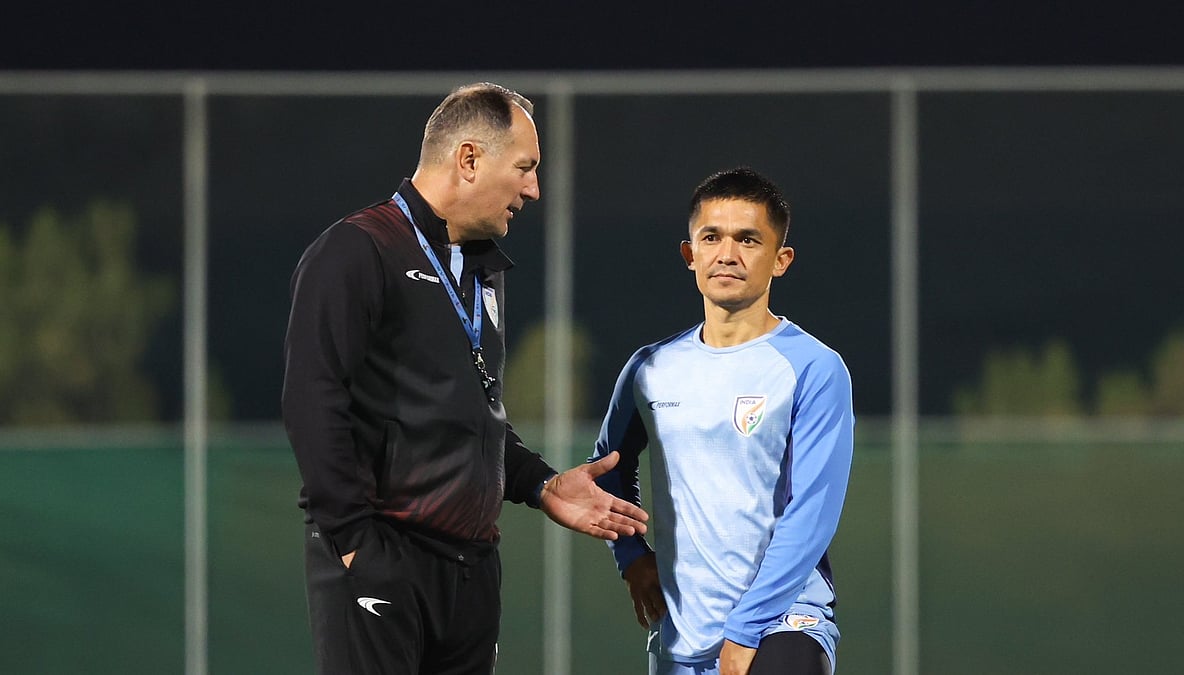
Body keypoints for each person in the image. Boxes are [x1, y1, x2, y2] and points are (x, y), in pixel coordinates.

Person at [282, 82, 649, 675]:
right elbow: (312, 402)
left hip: (472, 568)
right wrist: (354, 545)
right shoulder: (356, 250)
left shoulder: (481, 268)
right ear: (470, 159)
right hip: (383, 554)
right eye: (525, 168)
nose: (533, 189)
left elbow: (469, 415)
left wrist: (542, 485)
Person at [591, 167, 855, 675]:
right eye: (711, 237)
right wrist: (630, 555)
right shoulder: (650, 368)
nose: (727, 253)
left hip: (783, 624)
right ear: (690, 254)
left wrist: (746, 627)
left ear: (781, 261)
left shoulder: (814, 368)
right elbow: (607, 469)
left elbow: (812, 514)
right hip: (682, 635)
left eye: (748, 239)